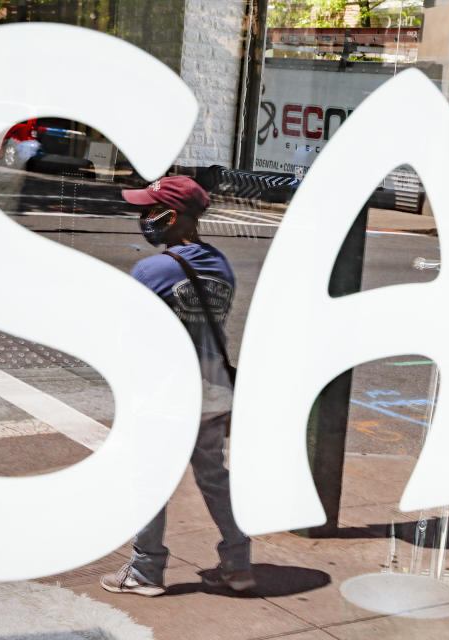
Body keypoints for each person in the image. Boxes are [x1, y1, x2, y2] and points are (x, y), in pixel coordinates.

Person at [100, 176, 253, 596]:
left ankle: (146, 572)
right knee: (214, 477)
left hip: (168, 397)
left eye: (151, 211)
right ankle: (239, 564)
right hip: (213, 392)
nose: (145, 218)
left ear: (176, 217)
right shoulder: (220, 263)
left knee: (150, 480)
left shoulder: (153, 269)